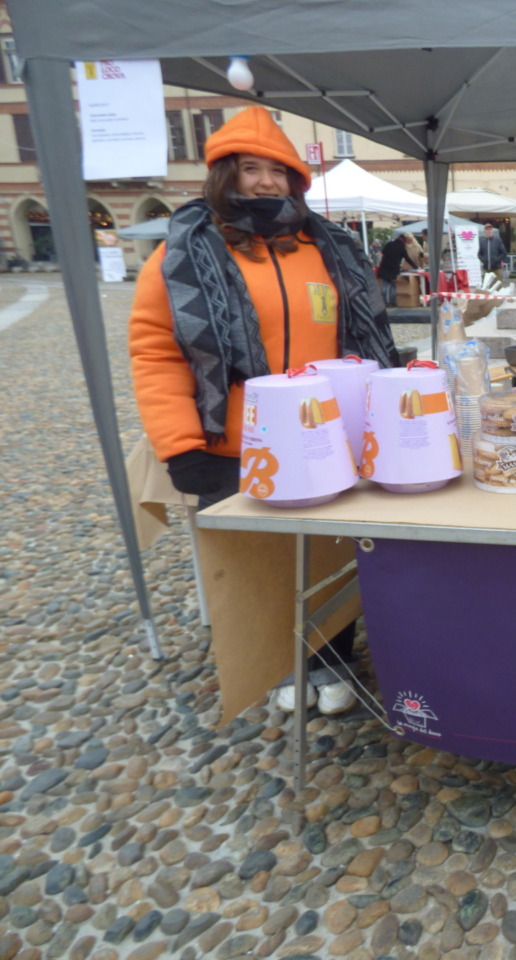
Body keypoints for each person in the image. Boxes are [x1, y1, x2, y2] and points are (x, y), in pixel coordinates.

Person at [129, 106, 398, 715]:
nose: (266, 182)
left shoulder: (328, 250)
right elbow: (156, 353)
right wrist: (180, 445)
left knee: (328, 554)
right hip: (233, 447)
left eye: (279, 171)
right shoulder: (181, 255)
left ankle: (332, 658)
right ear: (226, 175)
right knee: (257, 565)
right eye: (251, 169)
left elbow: (362, 342)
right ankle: (276, 664)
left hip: (324, 441)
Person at [376, 229, 422, 306]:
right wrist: (416, 267)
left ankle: (384, 302)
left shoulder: (389, 244)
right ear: (403, 240)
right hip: (393, 269)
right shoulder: (401, 247)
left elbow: (383, 253)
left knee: (385, 286)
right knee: (393, 286)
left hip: (384, 268)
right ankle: (392, 302)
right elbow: (407, 259)